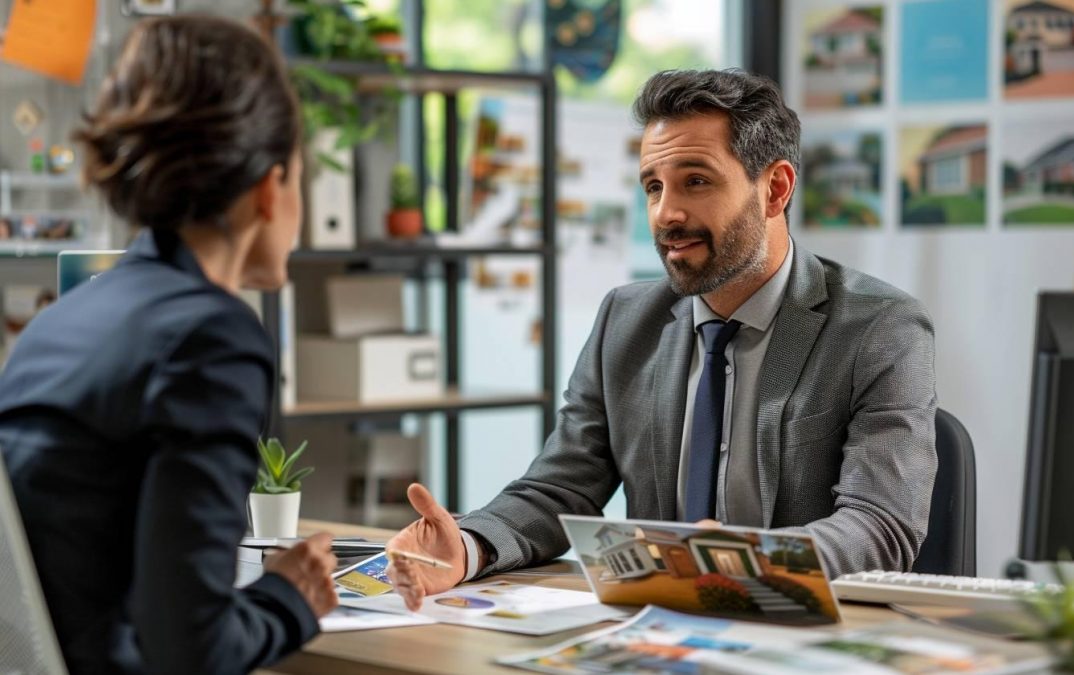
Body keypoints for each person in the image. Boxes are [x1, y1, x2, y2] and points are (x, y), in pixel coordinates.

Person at [387, 68, 938, 609]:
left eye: (696, 181)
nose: (666, 214)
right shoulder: (625, 321)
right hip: (659, 627)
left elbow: (879, 524)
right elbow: (560, 490)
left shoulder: (879, 328)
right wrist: (467, 546)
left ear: (775, 188)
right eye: (654, 186)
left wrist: (746, 563)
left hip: (808, 633)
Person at [0, 16, 338, 674]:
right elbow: (190, 647)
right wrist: (290, 598)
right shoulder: (213, 338)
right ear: (271, 189)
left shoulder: (62, 320)